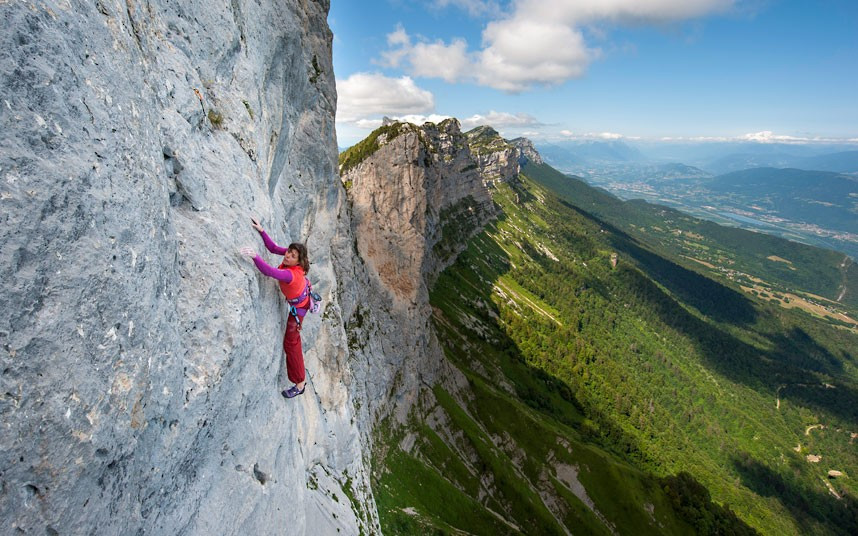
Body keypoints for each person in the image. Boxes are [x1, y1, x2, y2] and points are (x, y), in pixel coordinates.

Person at [240, 217, 310, 398]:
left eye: (293, 256)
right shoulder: (291, 261)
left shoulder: (289, 274)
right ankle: (300, 380)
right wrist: (262, 230)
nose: (287, 255)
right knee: (294, 340)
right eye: (288, 252)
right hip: (303, 296)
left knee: (291, 342)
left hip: (300, 308)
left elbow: (270, 272)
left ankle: (300, 383)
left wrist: (255, 256)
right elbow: (273, 248)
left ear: (299, 262)